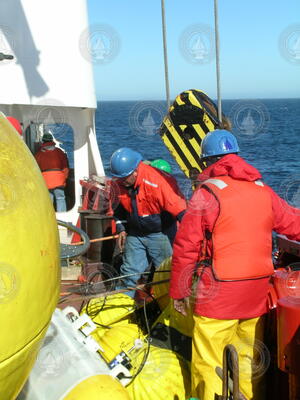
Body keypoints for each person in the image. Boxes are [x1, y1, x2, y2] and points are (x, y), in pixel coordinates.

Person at [169, 129, 300, 400]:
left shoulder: (208, 193)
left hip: (218, 293)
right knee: (247, 358)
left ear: (207, 161)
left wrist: (179, 292)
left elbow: (186, 247)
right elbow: (292, 223)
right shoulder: (262, 190)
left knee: (210, 360)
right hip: (256, 293)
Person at [110, 147, 186, 297]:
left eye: (124, 178)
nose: (121, 181)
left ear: (135, 171)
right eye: (118, 178)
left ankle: (166, 309)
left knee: (165, 274)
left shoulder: (158, 182)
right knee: (128, 273)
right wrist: (122, 229)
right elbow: (118, 209)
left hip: (160, 234)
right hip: (135, 234)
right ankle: (121, 306)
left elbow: (180, 209)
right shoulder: (119, 182)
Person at [35, 132, 69, 212]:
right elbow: (65, 167)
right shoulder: (59, 152)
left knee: (49, 201)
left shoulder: (38, 154)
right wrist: (64, 178)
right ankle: (62, 219)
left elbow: (36, 169)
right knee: (60, 198)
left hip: (45, 181)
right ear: (52, 141)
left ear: (43, 142)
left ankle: (50, 219)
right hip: (59, 180)